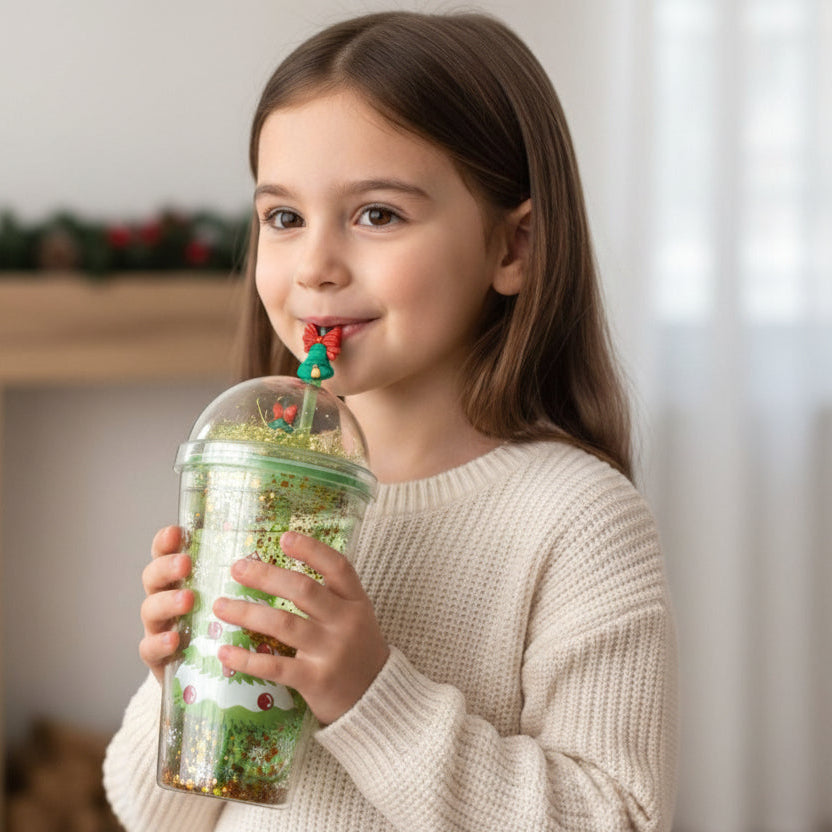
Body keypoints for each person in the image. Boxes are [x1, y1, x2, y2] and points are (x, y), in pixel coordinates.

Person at [103, 10, 678, 831]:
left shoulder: (578, 521)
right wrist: (183, 686)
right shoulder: (274, 491)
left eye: (377, 215)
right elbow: (153, 816)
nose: (316, 267)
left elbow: (613, 818)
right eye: (283, 218)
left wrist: (370, 695)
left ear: (513, 248)